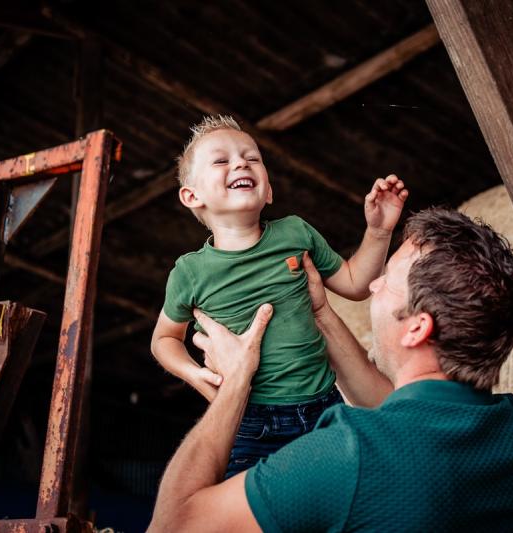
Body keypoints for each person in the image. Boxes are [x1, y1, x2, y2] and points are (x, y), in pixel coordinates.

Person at [148, 207, 513, 532]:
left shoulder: (348, 454)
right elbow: (400, 419)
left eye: (388, 280)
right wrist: (319, 312)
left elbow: (174, 524)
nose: (372, 286)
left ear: (417, 327)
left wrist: (237, 380)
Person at [151, 115, 408, 477]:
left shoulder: (296, 232)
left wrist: (379, 231)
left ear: (268, 191)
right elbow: (164, 338)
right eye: (222, 160)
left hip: (323, 408)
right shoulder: (189, 272)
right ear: (192, 196)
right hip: (249, 422)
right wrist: (194, 374)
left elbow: (353, 284)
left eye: (252, 158)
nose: (241, 163)